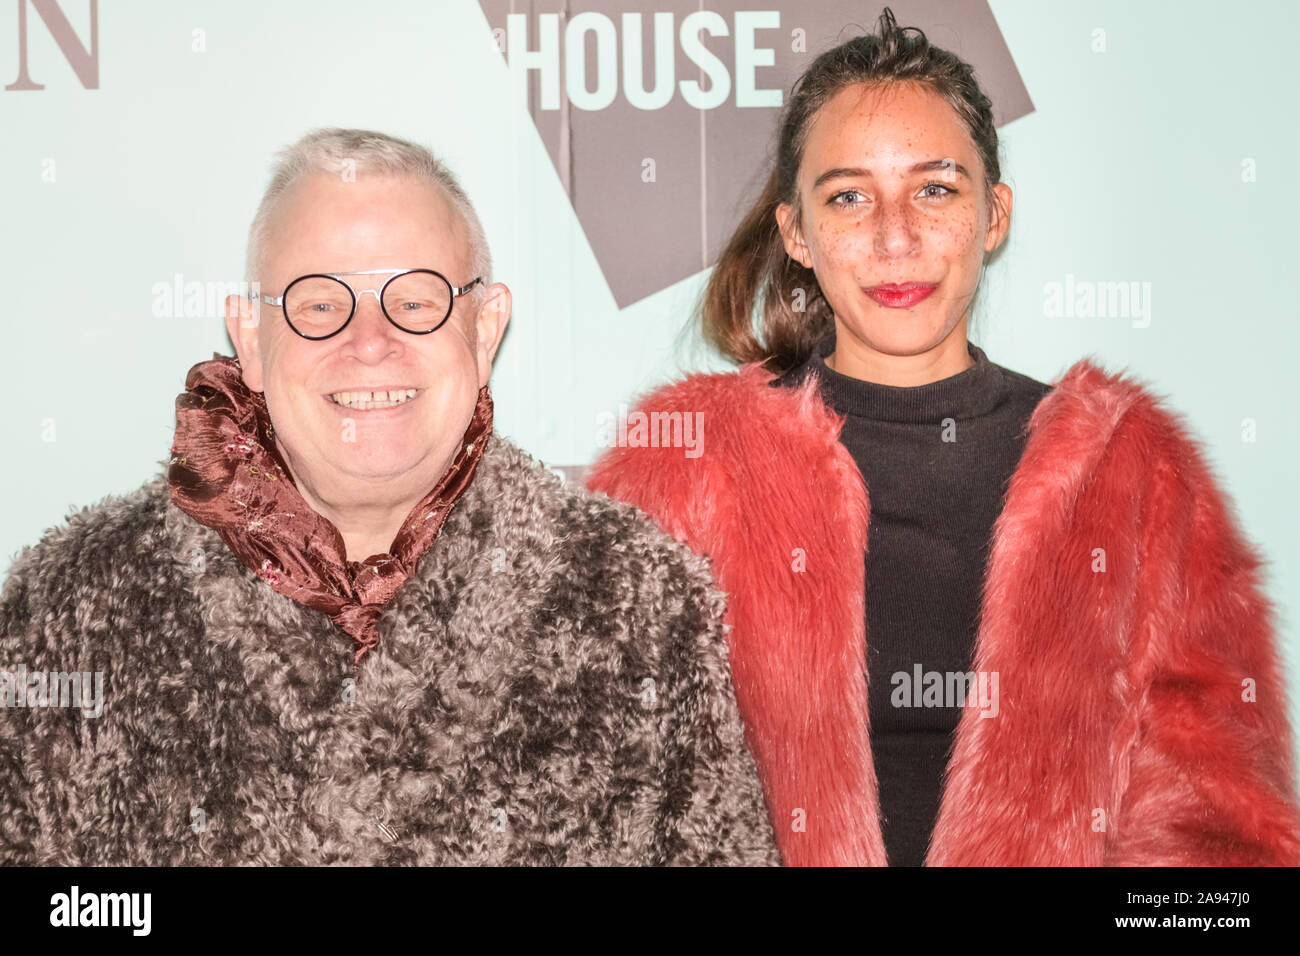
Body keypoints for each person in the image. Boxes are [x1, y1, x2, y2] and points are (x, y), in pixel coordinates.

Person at [586, 8, 1300, 866]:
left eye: (935, 188)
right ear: (797, 236)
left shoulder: (1129, 471)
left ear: (993, 216)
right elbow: (593, 796)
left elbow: (1221, 849)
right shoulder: (685, 464)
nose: (895, 237)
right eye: (849, 197)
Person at [0, 128, 779, 865]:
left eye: (414, 301)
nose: (369, 342)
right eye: (317, 303)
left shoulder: (641, 604)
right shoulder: (67, 611)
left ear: (484, 331)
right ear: (249, 341)